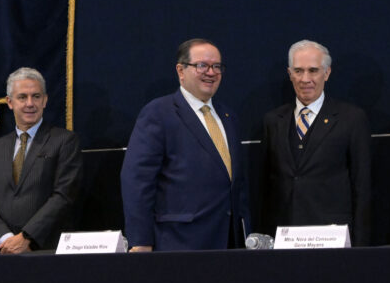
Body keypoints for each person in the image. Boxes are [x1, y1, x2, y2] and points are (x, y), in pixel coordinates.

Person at [121, 38, 251, 251]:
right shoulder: (158, 113)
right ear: (181, 71)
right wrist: (141, 240)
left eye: (217, 66)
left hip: (229, 242)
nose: (211, 72)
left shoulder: (229, 116)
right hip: (179, 242)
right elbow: (137, 181)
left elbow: (237, 184)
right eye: (202, 65)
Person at [261, 40, 372, 245]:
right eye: (298, 71)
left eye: (313, 70)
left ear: (327, 73)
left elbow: (362, 186)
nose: (305, 79)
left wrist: (361, 244)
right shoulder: (272, 121)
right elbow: (266, 186)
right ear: (289, 73)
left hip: (333, 236)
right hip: (285, 235)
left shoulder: (351, 118)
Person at [0, 67, 83, 253]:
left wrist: (27, 237)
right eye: (22, 97)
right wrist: (6, 238)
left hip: (45, 250)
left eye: (36, 96)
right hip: (3, 251)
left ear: (45, 100)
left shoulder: (64, 141)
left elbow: (64, 195)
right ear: (10, 102)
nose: (30, 103)